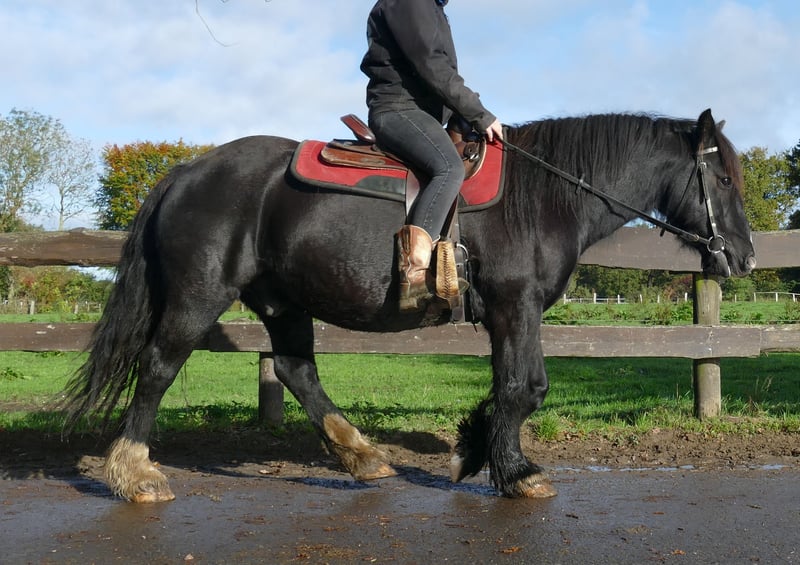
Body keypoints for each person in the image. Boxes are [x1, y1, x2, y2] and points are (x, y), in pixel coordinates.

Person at [360, 0, 503, 312]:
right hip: (398, 108)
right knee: (449, 167)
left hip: (422, 113)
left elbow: (440, 72)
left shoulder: (433, 7)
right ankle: (413, 274)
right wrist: (479, 114)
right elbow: (431, 64)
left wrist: (465, 111)